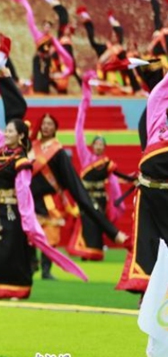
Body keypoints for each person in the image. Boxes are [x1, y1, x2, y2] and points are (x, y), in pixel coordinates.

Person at [0, 48, 87, 299]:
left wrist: (28, 222)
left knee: (11, 251)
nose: (5, 133)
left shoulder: (22, 161)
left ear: (20, 136)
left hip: (11, 210)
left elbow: (24, 192)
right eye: (5, 131)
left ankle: (16, 288)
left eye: (10, 131)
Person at [28, 111, 126, 279]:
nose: (46, 127)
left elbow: (71, 182)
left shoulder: (58, 152)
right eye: (44, 123)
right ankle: (31, 263)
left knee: (50, 236)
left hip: (50, 200)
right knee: (27, 234)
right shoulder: (31, 147)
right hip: (29, 199)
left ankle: (45, 269)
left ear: (55, 128)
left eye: (50, 124)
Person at [68, 73, 133, 261]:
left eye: (101, 144)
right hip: (86, 195)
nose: (98, 146)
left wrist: (127, 184)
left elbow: (114, 179)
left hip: (101, 197)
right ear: (92, 145)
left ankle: (95, 252)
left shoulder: (106, 163)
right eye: (96, 143)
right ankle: (85, 252)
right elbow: (78, 132)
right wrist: (84, 103)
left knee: (97, 223)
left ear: (104, 147)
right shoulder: (85, 156)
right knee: (87, 222)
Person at [117, 72, 168, 294]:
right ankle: (146, 295)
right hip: (148, 194)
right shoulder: (156, 122)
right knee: (147, 248)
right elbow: (160, 92)